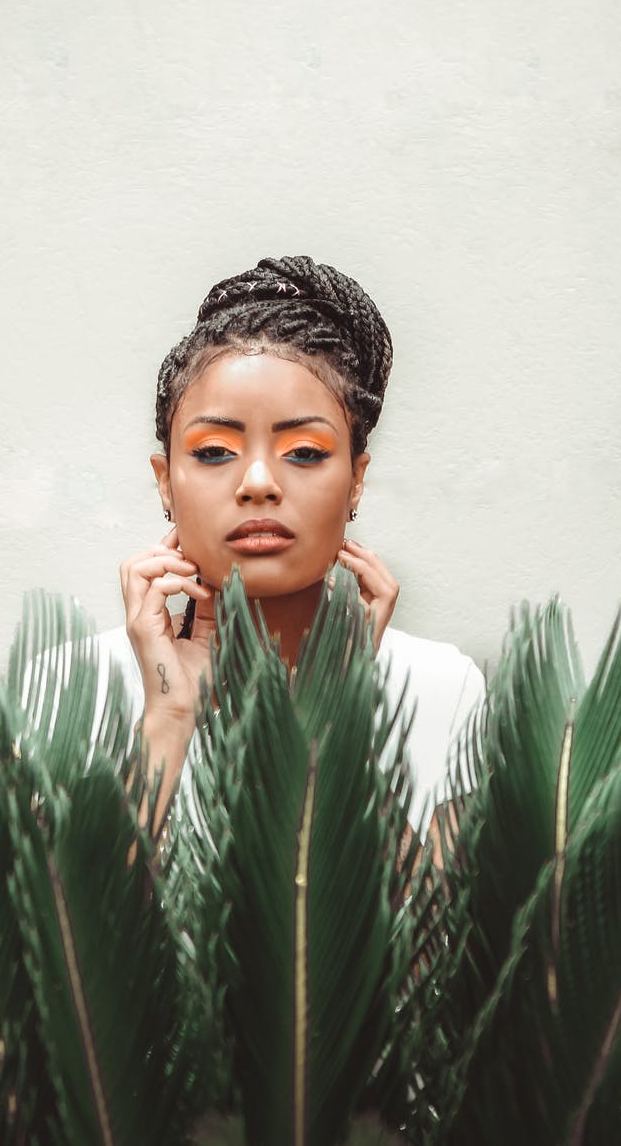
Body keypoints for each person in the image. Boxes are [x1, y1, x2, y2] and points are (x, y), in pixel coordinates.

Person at [99, 254, 484, 842]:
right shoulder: (77, 680)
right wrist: (169, 719)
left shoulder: (440, 686)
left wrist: (332, 712)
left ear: (357, 480)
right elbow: (66, 928)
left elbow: (436, 931)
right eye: (213, 451)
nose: (258, 482)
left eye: (304, 452)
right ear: (164, 482)